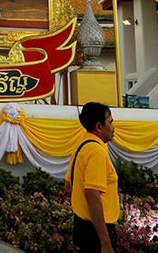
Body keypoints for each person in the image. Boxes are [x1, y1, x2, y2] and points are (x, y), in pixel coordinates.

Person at [67, 102, 119, 253]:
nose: (113, 128)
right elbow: (92, 194)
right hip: (95, 231)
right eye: (110, 122)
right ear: (99, 126)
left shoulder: (82, 143)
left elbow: (68, 183)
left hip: (83, 224)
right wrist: (105, 242)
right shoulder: (96, 152)